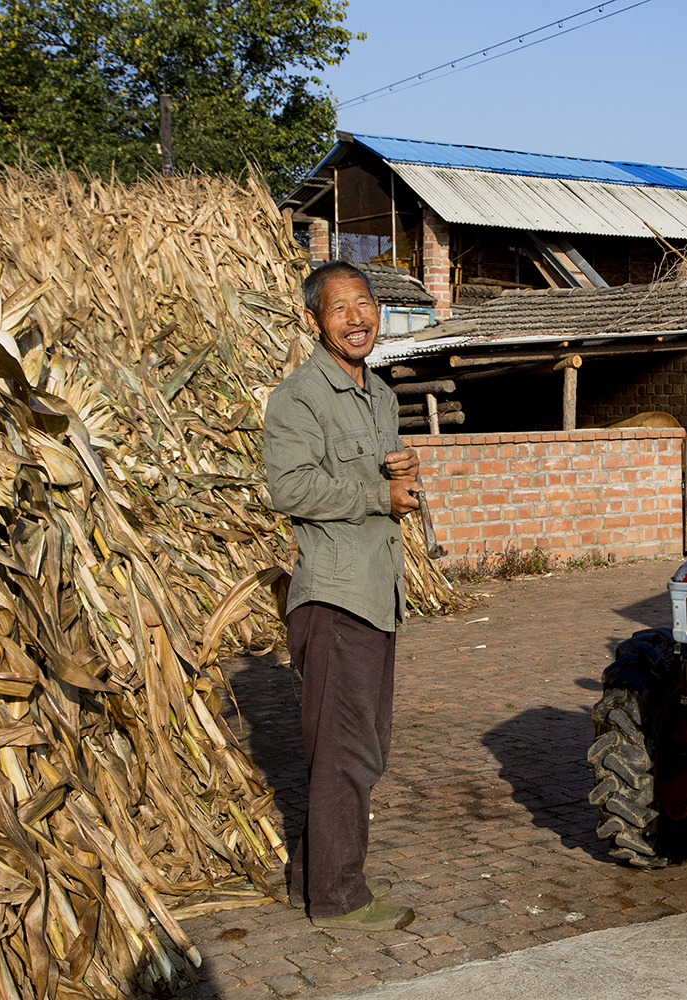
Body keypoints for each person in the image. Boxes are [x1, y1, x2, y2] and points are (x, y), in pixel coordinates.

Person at [263, 260, 420, 931]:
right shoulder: (299, 397)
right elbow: (289, 489)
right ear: (313, 320)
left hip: (374, 592)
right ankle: (338, 897)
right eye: (339, 308)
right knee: (348, 751)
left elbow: (369, 486)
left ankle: (308, 877)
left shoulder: (378, 394)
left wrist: (400, 484)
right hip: (334, 599)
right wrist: (375, 494)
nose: (356, 318)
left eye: (365, 304)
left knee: (357, 745)